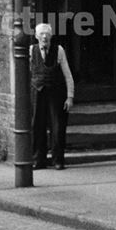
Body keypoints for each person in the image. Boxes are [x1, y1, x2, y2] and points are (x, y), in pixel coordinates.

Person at [29, 22, 74, 170]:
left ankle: (58, 160)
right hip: (37, 92)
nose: (44, 37)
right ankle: (38, 159)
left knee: (58, 127)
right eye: (41, 34)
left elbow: (67, 75)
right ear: (36, 36)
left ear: (51, 36)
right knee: (37, 125)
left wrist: (70, 97)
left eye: (47, 34)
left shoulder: (59, 50)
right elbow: (25, 74)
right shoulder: (31, 50)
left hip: (56, 93)